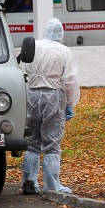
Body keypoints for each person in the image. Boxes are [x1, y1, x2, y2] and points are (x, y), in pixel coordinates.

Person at [21, 17, 79, 195]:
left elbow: (23, 69)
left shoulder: (34, 46)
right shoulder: (64, 51)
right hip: (54, 96)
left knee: (32, 141)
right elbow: (70, 80)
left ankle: (29, 181)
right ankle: (52, 185)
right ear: (61, 33)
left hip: (31, 94)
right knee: (52, 143)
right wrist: (71, 103)